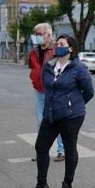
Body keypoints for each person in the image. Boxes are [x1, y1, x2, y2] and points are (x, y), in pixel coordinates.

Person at [24, 35, 94, 188]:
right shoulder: (49, 66)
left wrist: (73, 105)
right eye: (57, 44)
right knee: (41, 147)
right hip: (51, 114)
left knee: (69, 149)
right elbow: (46, 88)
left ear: (71, 48)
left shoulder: (78, 68)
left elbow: (89, 92)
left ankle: (67, 185)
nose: (57, 46)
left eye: (62, 44)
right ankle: (42, 184)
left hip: (71, 116)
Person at [28, 22, 64, 162]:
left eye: (39, 34)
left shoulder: (57, 50)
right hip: (39, 90)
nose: (36, 37)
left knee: (58, 120)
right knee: (41, 121)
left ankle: (62, 151)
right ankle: (42, 151)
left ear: (48, 35)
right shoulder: (33, 51)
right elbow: (32, 68)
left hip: (54, 91)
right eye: (35, 34)